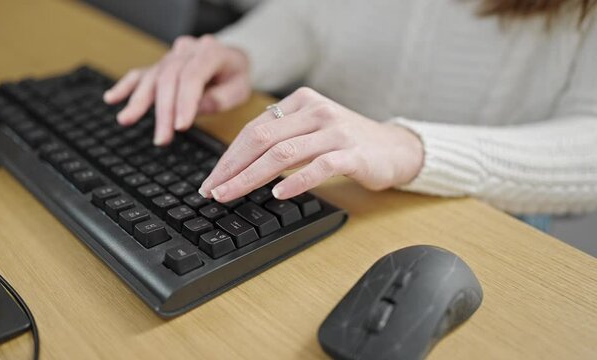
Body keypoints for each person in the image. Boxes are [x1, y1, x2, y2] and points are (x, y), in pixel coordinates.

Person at [103, 0, 597, 230]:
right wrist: (244, 54)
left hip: (469, 217)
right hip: (328, 184)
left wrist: (410, 147)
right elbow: (309, 15)